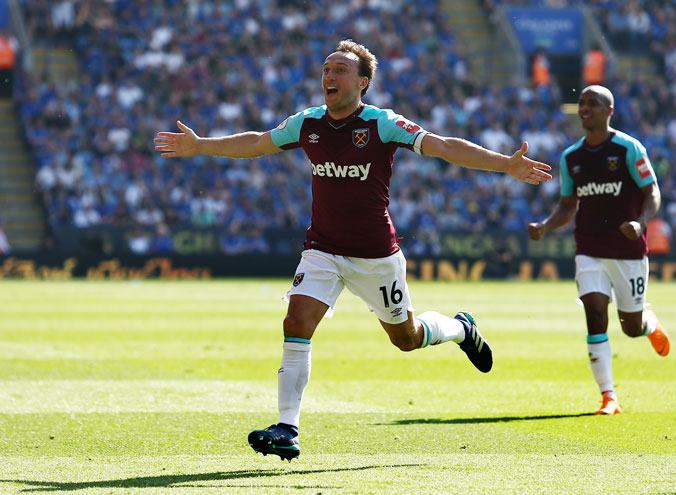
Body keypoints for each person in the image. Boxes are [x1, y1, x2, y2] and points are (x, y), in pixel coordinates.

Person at [155, 39, 552, 460]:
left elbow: (442, 145)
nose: (329, 75)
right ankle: (287, 427)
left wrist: (504, 164)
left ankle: (460, 329)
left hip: (375, 256)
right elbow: (257, 142)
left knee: (406, 338)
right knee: (297, 320)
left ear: (362, 82)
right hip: (322, 249)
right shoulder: (306, 123)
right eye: (326, 68)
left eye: (340, 69)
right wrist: (202, 145)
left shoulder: (382, 123)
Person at [527, 85, 670, 416]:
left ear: (609, 111)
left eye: (593, 103)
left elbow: (652, 193)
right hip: (589, 248)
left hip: (628, 250)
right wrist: (546, 226)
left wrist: (640, 223)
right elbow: (567, 205)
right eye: (581, 103)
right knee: (594, 314)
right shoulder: (571, 158)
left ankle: (647, 323)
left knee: (630, 327)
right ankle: (609, 397)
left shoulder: (628, 148)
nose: (584, 107)